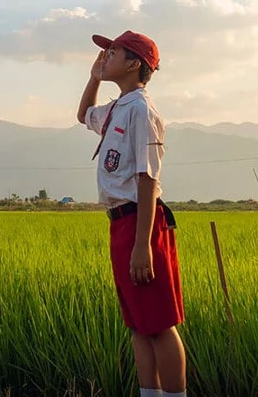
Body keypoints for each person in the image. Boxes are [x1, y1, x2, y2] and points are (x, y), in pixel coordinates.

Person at [77, 31, 186, 397]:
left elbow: (147, 177)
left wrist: (143, 245)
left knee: (159, 324)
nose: (105, 56)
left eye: (112, 52)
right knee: (138, 324)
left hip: (142, 222)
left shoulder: (141, 110)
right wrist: (94, 76)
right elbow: (83, 115)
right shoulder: (118, 107)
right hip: (121, 222)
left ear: (134, 63)